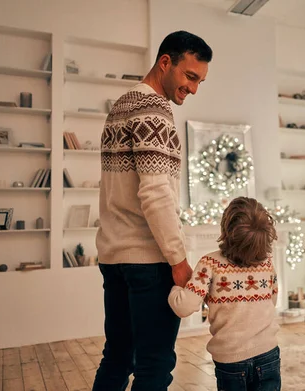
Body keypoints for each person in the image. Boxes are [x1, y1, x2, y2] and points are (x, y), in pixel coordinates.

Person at [93, 31, 213, 391]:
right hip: (147, 261)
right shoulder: (156, 111)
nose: (193, 89)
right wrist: (178, 259)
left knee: (117, 357)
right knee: (154, 366)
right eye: (190, 76)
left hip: (113, 258)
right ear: (165, 63)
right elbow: (156, 194)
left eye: (200, 81)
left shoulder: (120, 106)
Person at [168, 197, 281, 391]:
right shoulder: (267, 262)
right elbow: (272, 299)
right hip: (268, 353)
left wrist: (175, 289)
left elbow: (184, 307)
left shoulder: (210, 264)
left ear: (226, 229)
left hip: (231, 360)